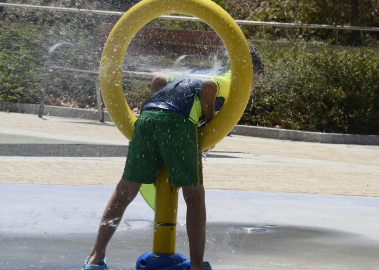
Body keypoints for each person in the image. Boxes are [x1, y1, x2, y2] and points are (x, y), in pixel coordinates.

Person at [84, 43, 264, 270]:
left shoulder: (197, 72)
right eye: (255, 83)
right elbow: (209, 88)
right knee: (195, 197)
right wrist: (210, 125)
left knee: (124, 191)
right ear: (250, 74)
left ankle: (95, 257)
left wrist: (156, 123)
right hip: (179, 122)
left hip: (148, 115)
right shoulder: (232, 80)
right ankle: (197, 266)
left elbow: (159, 80)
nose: (252, 89)